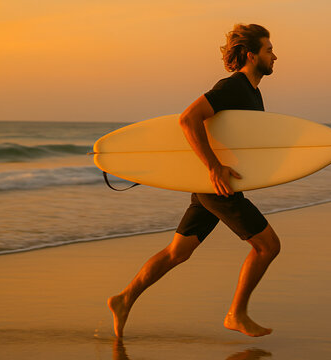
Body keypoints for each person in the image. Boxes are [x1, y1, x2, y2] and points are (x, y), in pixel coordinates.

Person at [108, 24, 280, 338]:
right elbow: (188, 118)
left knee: (178, 252)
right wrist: (214, 168)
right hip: (218, 187)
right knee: (267, 247)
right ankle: (236, 314)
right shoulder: (233, 87)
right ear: (252, 55)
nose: (275, 56)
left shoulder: (253, 92)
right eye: (269, 50)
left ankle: (124, 298)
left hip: (211, 185)